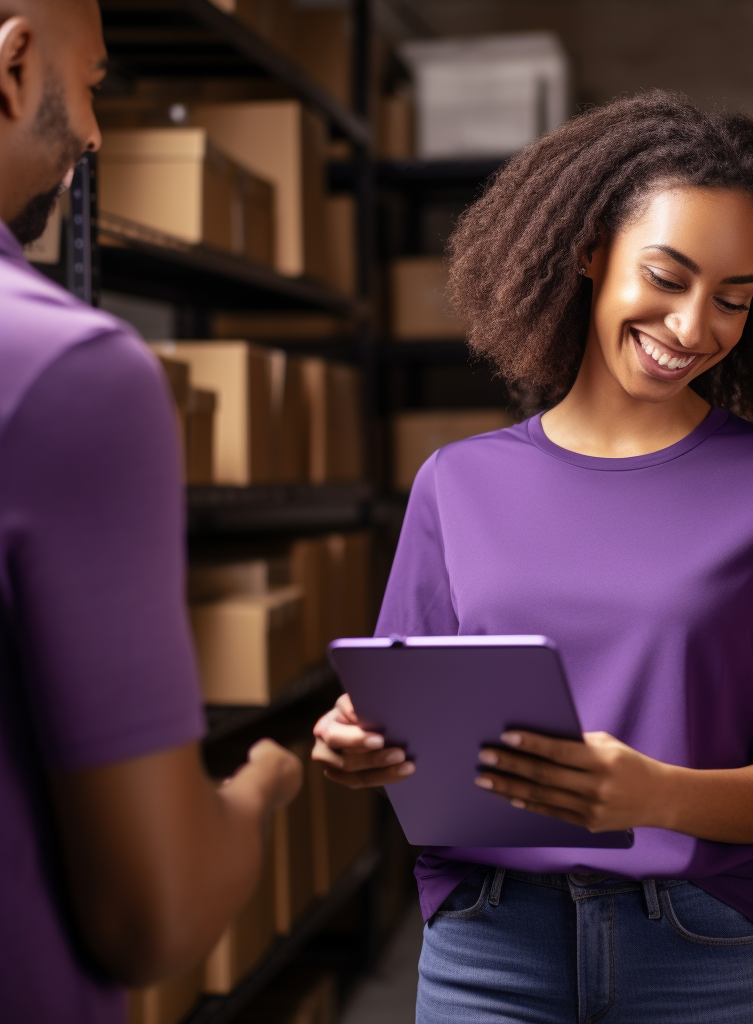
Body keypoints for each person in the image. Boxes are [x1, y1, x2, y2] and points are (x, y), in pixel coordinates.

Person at [313, 92, 753, 1023]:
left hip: (705, 947)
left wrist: (655, 794)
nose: (693, 327)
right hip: (489, 944)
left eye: (733, 298)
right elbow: (401, 714)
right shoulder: (456, 483)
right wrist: (359, 746)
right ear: (587, 251)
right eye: (667, 276)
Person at [0, 1, 303, 1020]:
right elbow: (155, 918)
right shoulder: (66, 372)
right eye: (88, 86)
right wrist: (260, 789)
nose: (91, 135)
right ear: (12, 66)